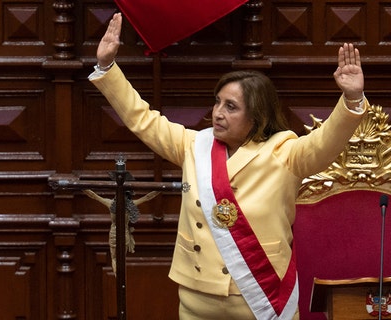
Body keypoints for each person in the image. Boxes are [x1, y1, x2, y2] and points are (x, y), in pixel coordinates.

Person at [90, 13, 367, 320]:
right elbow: (142, 120)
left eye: (231, 107)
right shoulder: (194, 146)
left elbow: (325, 142)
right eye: (217, 102)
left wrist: (352, 99)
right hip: (197, 299)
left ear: (257, 116)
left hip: (260, 297)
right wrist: (107, 68)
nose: (218, 113)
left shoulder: (285, 152)